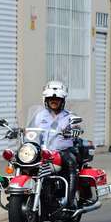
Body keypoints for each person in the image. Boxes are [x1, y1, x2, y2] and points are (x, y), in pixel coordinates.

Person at [31, 81, 82, 209]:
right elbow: (30, 129)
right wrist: (20, 131)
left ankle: (70, 200)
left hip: (63, 150)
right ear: (46, 100)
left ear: (62, 100)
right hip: (44, 150)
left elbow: (77, 127)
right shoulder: (39, 115)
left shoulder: (70, 116)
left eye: (57, 99)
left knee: (71, 163)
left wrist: (75, 130)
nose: (54, 101)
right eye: (51, 99)